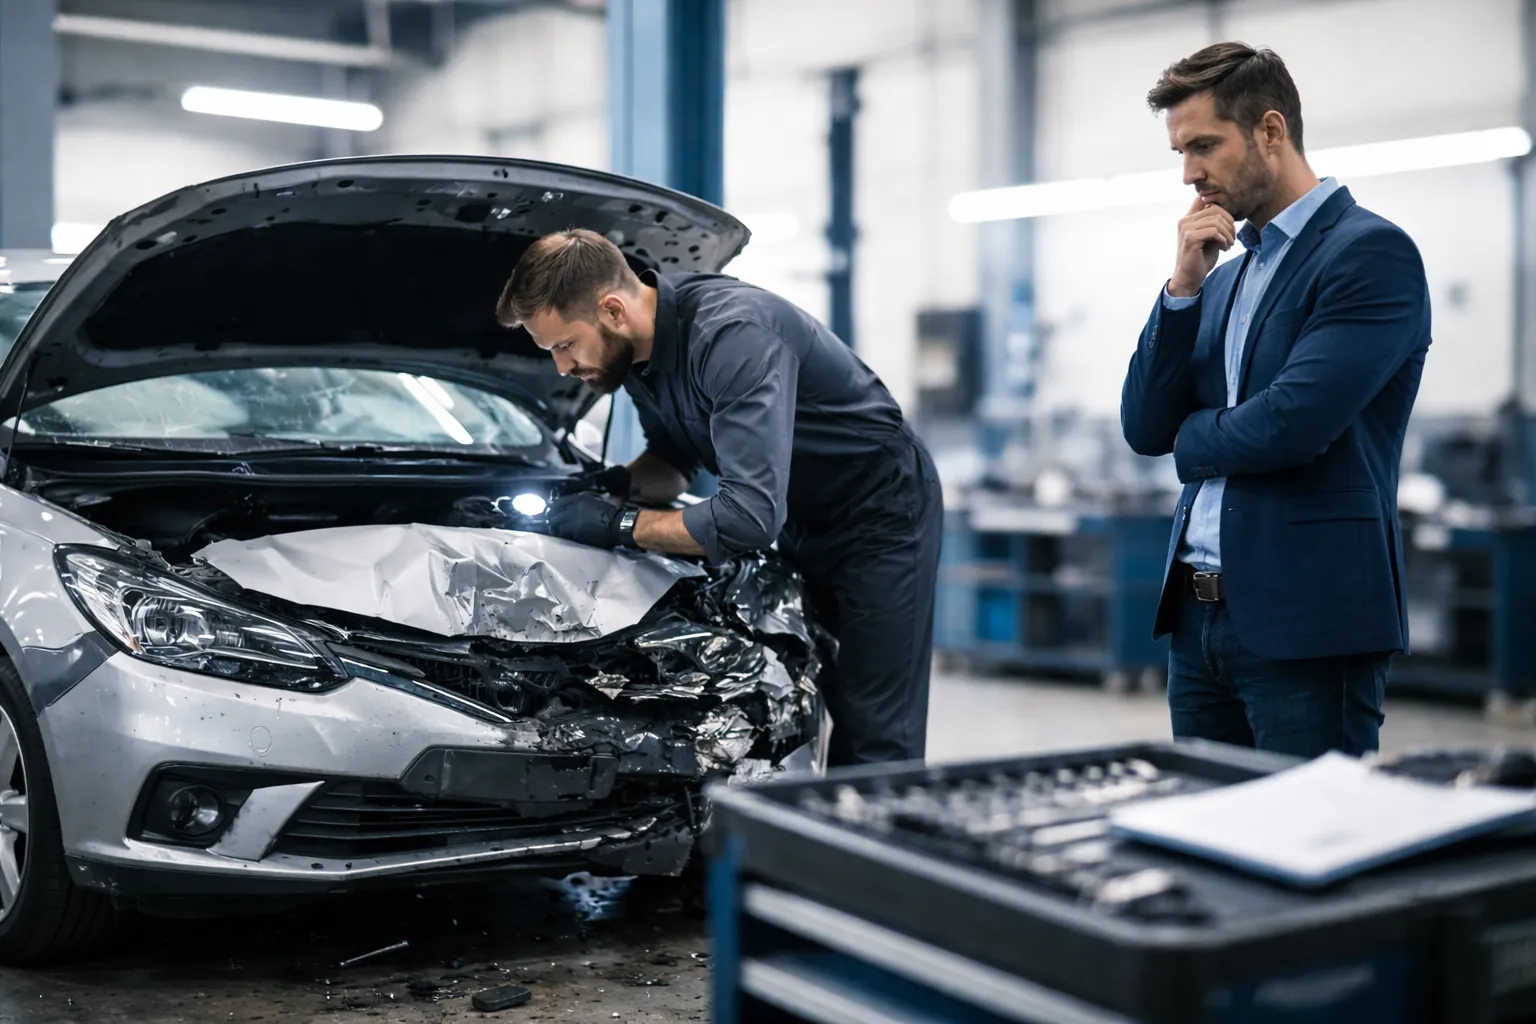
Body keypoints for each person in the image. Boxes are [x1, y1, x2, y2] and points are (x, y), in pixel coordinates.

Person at [495, 229, 943, 767]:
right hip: (800, 517)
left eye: (565, 346)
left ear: (613, 310)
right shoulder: (632, 354)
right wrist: (609, 487)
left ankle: (872, 842)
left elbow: (749, 517)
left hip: (882, 513)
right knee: (808, 692)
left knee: (875, 726)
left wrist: (619, 525)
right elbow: (675, 462)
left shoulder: (732, 336)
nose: (562, 368)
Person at [1120, 42, 1432, 758]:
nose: (1189, 173)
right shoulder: (1225, 278)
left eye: (1204, 145)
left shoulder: (1369, 255)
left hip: (1308, 622)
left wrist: (1193, 441)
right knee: (1209, 843)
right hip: (1197, 623)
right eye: (1180, 151)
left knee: (1308, 846)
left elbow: (1292, 425)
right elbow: (1143, 425)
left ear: (1270, 131)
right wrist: (1182, 290)